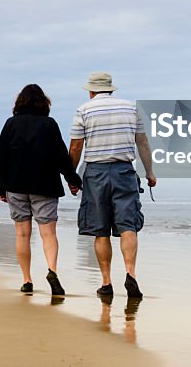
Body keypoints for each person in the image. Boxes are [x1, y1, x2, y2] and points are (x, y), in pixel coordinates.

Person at [68, 72, 156, 299]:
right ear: (111, 89)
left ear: (91, 91)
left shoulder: (84, 110)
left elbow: (76, 147)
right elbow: (143, 143)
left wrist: (71, 177)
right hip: (124, 171)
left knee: (100, 229)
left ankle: (106, 282)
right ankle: (131, 274)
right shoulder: (131, 108)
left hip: (95, 173)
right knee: (128, 225)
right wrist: (150, 172)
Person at [0, 83, 82, 296]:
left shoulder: (10, 124)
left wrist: (1, 187)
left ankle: (27, 280)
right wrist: (73, 180)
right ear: (44, 103)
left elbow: (2, 158)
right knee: (48, 233)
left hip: (16, 186)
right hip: (45, 186)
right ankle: (52, 270)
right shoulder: (49, 125)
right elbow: (62, 157)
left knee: (22, 234)